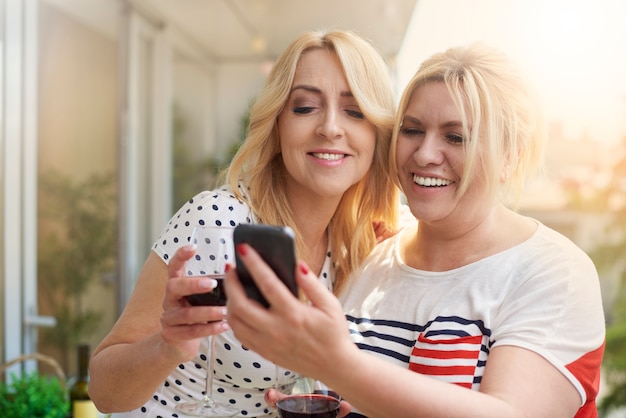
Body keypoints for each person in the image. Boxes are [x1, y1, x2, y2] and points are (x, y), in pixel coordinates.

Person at [224, 42, 606, 418]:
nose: (424, 154)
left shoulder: (553, 271)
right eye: (412, 130)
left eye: (456, 137)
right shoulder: (371, 250)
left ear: (510, 157)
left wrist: (338, 366)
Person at [88, 29, 401, 417]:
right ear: (277, 123)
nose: (331, 128)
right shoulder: (216, 222)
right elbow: (103, 391)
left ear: (377, 135)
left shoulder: (356, 246)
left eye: (354, 111)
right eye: (305, 107)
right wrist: (167, 345)